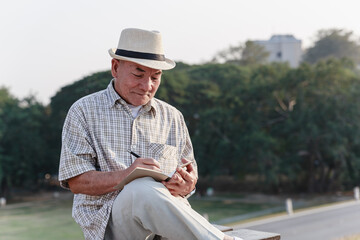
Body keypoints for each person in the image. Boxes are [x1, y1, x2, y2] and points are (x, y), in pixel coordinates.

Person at [59, 28, 240, 240]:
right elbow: (77, 182)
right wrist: (128, 174)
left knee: (144, 188)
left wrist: (187, 185)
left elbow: (189, 178)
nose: (147, 86)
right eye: (138, 74)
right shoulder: (83, 111)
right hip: (110, 226)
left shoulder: (173, 116)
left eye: (155, 77)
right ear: (115, 68)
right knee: (140, 188)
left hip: (164, 225)